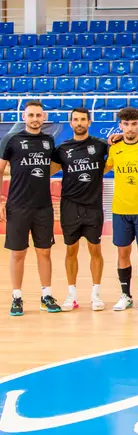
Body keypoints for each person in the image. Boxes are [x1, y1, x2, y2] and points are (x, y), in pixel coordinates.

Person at [0, 100, 58, 315]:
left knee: (44, 252)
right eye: (31, 115)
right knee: (18, 253)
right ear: (24, 117)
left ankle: (46, 295)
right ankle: (17, 298)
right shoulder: (11, 140)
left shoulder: (48, 141)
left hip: (43, 206)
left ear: (44, 118)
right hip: (17, 205)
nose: (35, 119)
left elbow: (50, 168)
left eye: (38, 115)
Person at [51, 108, 109, 311]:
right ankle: (72, 295)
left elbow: (116, 157)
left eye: (83, 119)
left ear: (89, 122)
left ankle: (95, 295)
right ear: (71, 123)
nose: (79, 123)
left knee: (95, 249)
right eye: (75, 119)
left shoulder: (101, 145)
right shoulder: (62, 149)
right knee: (70, 250)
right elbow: (47, 170)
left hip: (93, 206)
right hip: (70, 206)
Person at [105, 107, 138, 312]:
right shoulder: (114, 149)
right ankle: (125, 295)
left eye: (134, 124)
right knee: (123, 253)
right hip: (120, 210)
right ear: (120, 125)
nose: (130, 128)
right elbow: (103, 167)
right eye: (126, 124)